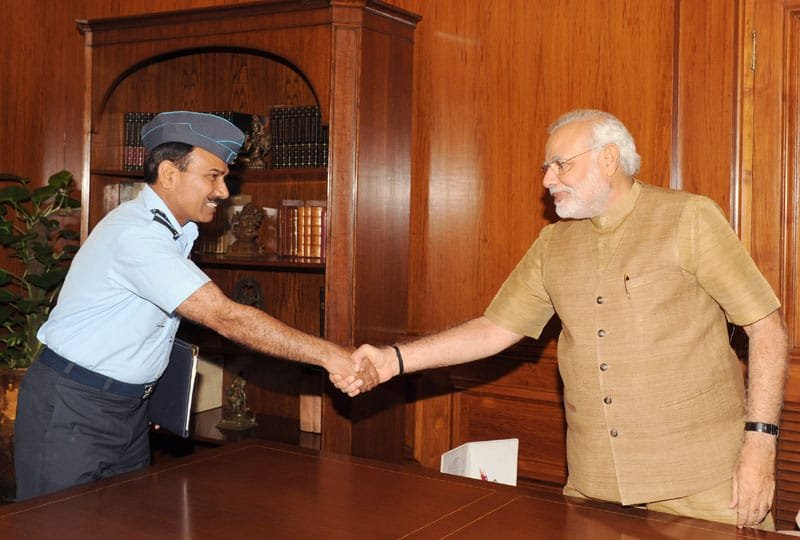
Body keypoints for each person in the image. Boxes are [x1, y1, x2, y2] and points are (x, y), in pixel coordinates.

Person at [339, 109, 789, 530]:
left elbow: (766, 328)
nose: (548, 179)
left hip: (706, 486)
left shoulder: (689, 217)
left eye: (560, 164)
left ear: (609, 159)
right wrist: (391, 361)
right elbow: (495, 329)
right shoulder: (552, 244)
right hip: (595, 489)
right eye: (545, 168)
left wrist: (760, 444)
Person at [15, 111, 375, 501]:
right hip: (73, 409)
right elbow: (226, 317)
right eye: (213, 176)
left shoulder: (175, 232)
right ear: (169, 174)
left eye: (224, 177)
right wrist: (331, 356)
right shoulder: (137, 235)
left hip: (127, 410)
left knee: (126, 524)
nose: (223, 191)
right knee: (54, 526)